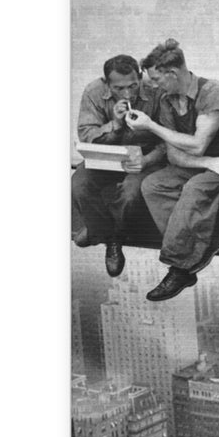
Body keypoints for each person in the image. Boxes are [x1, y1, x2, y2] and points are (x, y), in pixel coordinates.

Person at [125, 39, 219, 302]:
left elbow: (197, 145)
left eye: (156, 79)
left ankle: (179, 266)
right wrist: (206, 163)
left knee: (195, 188)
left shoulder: (213, 92)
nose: (153, 85)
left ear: (173, 73)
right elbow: (174, 153)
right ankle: (203, 245)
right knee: (153, 185)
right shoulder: (168, 99)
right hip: (206, 163)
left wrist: (151, 126)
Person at [71, 54, 167, 277]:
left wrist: (146, 160)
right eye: (119, 88)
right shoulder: (94, 92)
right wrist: (114, 125)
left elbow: (166, 140)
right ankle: (103, 233)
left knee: (131, 194)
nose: (128, 94)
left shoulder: (155, 91)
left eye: (133, 86)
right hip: (104, 157)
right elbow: (86, 136)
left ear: (140, 77)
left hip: (144, 158)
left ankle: (106, 235)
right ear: (106, 83)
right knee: (79, 186)